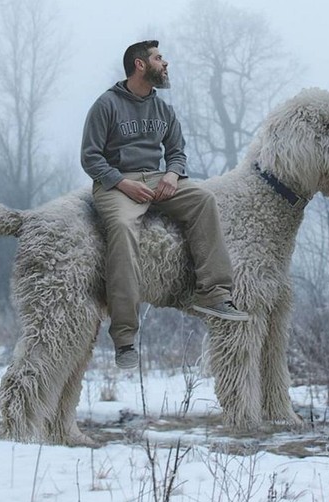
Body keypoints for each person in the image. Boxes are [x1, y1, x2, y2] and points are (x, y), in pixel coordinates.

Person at [81, 40, 249, 369]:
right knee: (123, 229)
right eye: (159, 58)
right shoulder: (106, 105)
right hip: (117, 183)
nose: (166, 63)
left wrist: (173, 174)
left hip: (159, 179)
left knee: (203, 200)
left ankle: (214, 294)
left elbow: (176, 151)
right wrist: (121, 182)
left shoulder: (163, 109)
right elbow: (90, 157)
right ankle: (125, 337)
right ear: (140, 65)